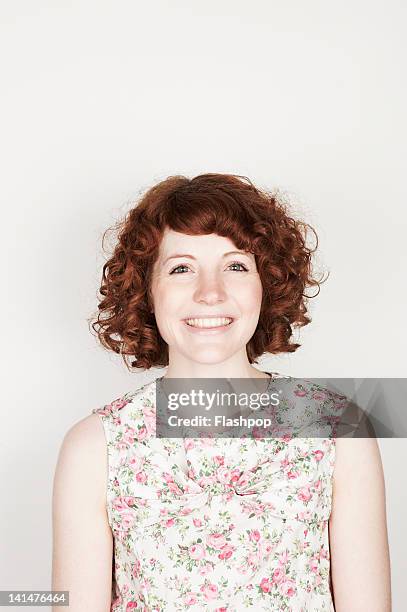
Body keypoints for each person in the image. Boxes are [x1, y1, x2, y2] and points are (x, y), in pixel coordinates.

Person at [51, 173, 391, 611]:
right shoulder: (94, 447)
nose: (209, 293)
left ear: (265, 284)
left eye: (234, 266)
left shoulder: (339, 431)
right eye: (181, 269)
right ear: (147, 292)